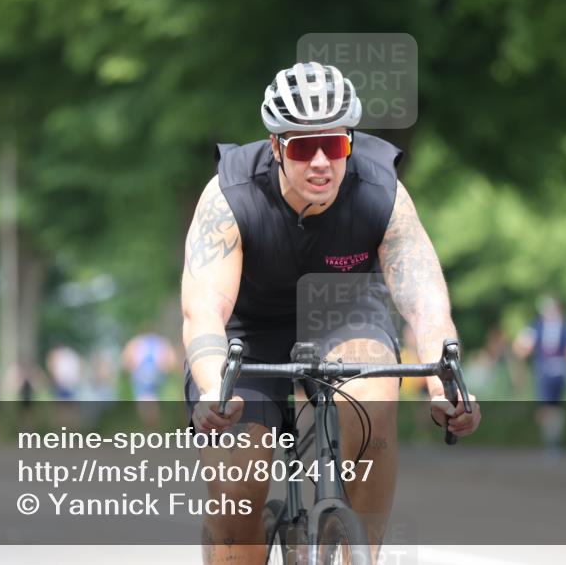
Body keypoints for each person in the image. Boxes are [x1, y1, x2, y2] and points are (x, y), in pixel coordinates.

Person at [181, 62, 481, 565]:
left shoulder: (381, 192)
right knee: (239, 487)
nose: (321, 162)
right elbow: (204, 309)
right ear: (276, 146)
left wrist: (444, 387)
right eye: (302, 147)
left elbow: (425, 299)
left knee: (376, 396)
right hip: (248, 327)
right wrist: (214, 388)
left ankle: (358, 553)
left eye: (335, 145)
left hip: (343, 313)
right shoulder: (231, 195)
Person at [513, 295, 566, 458]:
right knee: (545, 407)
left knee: (556, 406)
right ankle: (550, 442)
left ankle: (554, 442)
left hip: (560, 369)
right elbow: (523, 345)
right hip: (543, 370)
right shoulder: (537, 326)